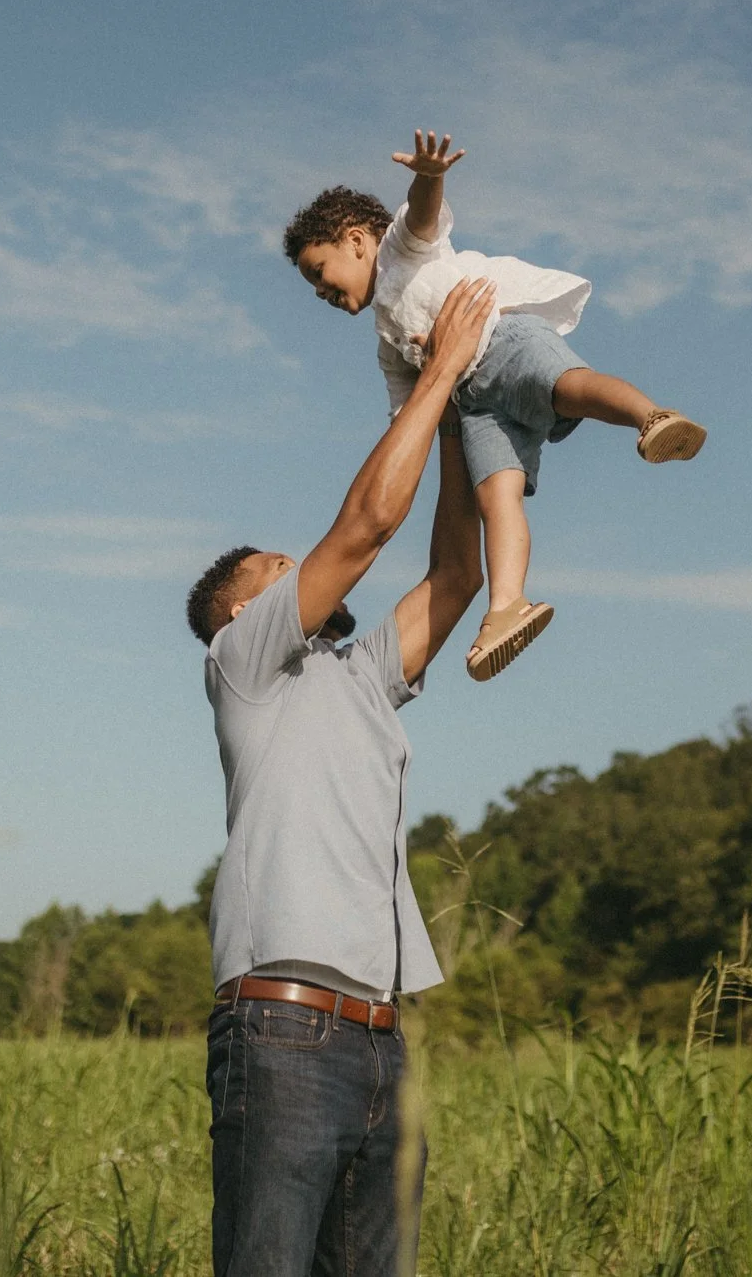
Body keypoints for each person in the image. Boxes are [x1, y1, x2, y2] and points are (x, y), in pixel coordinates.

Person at [183, 275, 498, 1277]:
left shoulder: (357, 677)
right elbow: (364, 527)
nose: (301, 568)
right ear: (242, 613)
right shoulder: (241, 665)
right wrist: (435, 367)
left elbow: (457, 579)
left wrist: (447, 417)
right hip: (280, 1034)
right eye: (278, 567)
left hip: (379, 1041)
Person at [282, 130, 706, 682]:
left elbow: (422, 218)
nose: (321, 292)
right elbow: (407, 419)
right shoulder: (389, 345)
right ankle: (507, 606)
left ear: (358, 240)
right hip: (472, 404)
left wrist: (430, 176)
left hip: (503, 341)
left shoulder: (400, 254)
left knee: (571, 386)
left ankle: (649, 417)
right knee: (495, 499)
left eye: (320, 272)